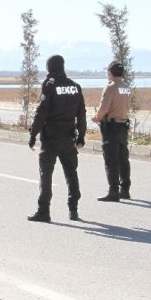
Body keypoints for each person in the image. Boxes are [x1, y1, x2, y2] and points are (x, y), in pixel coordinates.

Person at [27, 54, 87, 222]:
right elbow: (81, 113)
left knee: (46, 174)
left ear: (49, 68)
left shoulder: (49, 85)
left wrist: (33, 135)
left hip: (51, 138)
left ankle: (44, 211)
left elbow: (42, 112)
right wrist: (81, 136)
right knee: (71, 172)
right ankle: (73, 209)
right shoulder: (75, 87)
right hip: (68, 137)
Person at [92, 60, 132, 201]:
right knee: (123, 159)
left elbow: (104, 108)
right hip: (123, 125)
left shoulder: (111, 87)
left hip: (111, 126)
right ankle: (125, 189)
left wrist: (96, 118)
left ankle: (113, 191)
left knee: (111, 160)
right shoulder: (126, 87)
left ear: (110, 72)